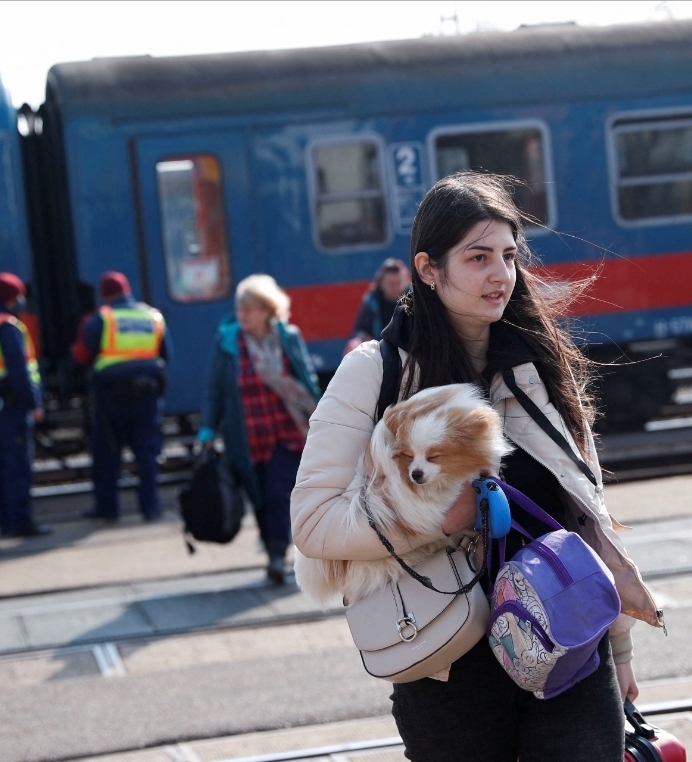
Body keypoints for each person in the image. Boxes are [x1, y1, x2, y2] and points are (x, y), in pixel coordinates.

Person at [291, 173, 663, 761]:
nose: (501, 275)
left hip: (564, 640)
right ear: (429, 268)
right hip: (448, 661)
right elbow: (312, 523)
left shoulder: (540, 364)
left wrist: (621, 655)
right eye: (479, 257)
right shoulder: (375, 372)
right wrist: (436, 520)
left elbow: (588, 515)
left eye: (510, 256)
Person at [198, 274, 321, 584]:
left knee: (279, 493)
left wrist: (322, 415)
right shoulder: (227, 344)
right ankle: (272, 549)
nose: (243, 316)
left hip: (286, 432)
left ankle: (278, 555)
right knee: (260, 499)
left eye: (249, 310)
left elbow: (307, 379)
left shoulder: (288, 338)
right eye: (240, 310)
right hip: (248, 436)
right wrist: (207, 431)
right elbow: (214, 390)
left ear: (267, 311)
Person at [72, 271, 169, 523]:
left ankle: (108, 509)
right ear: (128, 290)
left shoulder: (100, 319)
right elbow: (166, 355)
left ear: (104, 295)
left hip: (111, 398)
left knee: (108, 454)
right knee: (147, 455)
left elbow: (82, 355)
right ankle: (151, 509)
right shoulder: (152, 316)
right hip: (147, 395)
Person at [0, 273, 51, 538]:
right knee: (17, 467)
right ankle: (21, 523)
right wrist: (33, 404)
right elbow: (19, 372)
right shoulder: (7, 327)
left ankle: (5, 522)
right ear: (15, 298)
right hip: (12, 407)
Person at [343, 257, 411, 355]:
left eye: (399, 283)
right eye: (391, 284)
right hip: (380, 352)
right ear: (381, 284)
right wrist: (358, 340)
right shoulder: (372, 301)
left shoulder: (416, 298)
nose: (396, 288)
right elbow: (362, 329)